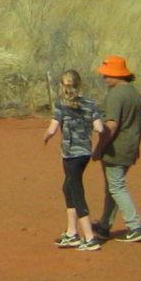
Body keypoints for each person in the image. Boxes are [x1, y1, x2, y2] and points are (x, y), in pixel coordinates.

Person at [42, 69, 103, 251]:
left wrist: (45, 136)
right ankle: (71, 233)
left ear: (62, 86)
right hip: (84, 152)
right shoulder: (90, 104)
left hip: (70, 154)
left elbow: (52, 129)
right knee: (67, 187)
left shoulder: (61, 105)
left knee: (76, 191)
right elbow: (99, 128)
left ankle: (89, 237)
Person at [90, 55, 141, 243]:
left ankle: (134, 226)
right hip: (129, 146)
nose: (104, 78)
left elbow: (111, 125)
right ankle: (105, 224)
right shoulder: (134, 93)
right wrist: (136, 144)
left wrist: (99, 148)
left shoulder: (115, 95)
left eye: (107, 75)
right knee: (112, 187)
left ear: (117, 75)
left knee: (116, 186)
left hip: (116, 148)